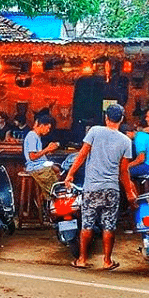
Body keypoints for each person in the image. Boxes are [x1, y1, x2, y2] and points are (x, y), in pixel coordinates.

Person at [65, 104, 136, 270]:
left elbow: (82, 154)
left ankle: (82, 259)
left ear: (106, 118)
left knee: (87, 224)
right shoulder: (126, 141)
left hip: (91, 187)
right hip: (111, 189)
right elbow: (124, 171)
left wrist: (70, 173)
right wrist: (129, 192)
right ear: (122, 119)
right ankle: (107, 261)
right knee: (109, 225)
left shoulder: (95, 131)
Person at [23, 114, 60, 199]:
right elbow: (32, 156)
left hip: (40, 165)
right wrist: (47, 149)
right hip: (35, 167)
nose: (48, 130)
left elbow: (37, 154)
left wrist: (47, 151)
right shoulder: (32, 136)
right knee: (54, 186)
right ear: (42, 126)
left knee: (57, 170)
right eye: (48, 128)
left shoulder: (37, 136)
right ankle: (48, 198)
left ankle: (45, 198)